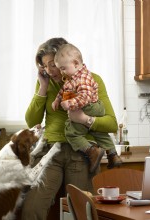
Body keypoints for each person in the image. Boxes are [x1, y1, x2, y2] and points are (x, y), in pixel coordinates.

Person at [22, 37, 119, 220]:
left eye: (54, 65)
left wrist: (84, 119)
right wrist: (43, 87)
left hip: (82, 154)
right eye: (45, 66)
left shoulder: (92, 80)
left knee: (81, 213)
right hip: (51, 152)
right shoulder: (47, 83)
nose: (50, 71)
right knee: (31, 209)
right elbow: (31, 120)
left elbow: (111, 123)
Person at [52, 43, 122, 173]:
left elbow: (85, 96)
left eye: (63, 68)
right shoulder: (73, 77)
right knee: (100, 133)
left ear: (76, 63)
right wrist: (57, 100)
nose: (61, 72)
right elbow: (64, 89)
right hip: (92, 108)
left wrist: (70, 104)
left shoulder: (83, 78)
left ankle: (92, 151)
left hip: (89, 107)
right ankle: (113, 154)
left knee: (71, 132)